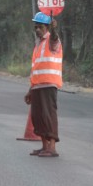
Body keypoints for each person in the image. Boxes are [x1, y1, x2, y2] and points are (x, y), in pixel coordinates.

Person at [24, 12, 63, 157]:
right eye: (35, 27)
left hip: (49, 85)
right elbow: (36, 69)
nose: (37, 30)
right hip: (37, 86)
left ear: (46, 27)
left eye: (40, 27)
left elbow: (54, 36)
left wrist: (54, 29)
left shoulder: (52, 41)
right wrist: (30, 90)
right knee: (37, 116)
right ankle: (44, 146)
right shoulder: (38, 45)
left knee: (48, 115)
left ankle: (52, 147)